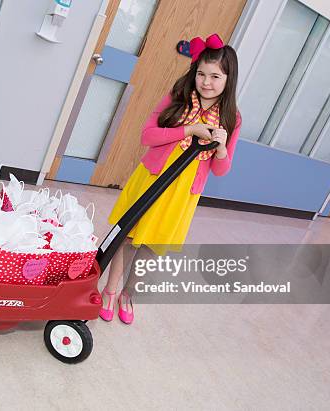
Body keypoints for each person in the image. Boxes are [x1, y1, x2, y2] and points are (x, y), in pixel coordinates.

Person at [99, 34, 242, 324]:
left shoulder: (232, 117)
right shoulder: (177, 98)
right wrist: (189, 130)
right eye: (201, 73)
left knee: (154, 244)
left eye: (216, 76)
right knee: (128, 236)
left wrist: (223, 148)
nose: (206, 82)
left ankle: (128, 294)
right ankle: (110, 291)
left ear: (229, 80)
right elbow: (147, 136)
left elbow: (221, 170)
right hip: (152, 179)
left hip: (183, 192)